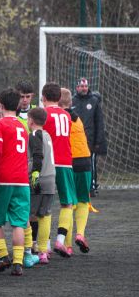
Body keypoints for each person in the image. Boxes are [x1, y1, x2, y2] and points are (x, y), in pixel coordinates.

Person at [0, 88, 30, 277]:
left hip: (3, 178)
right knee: (19, 223)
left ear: (1, 105)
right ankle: (18, 263)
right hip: (22, 179)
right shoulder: (22, 126)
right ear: (18, 105)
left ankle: (3, 256)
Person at [42, 82, 77, 257]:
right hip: (65, 162)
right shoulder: (66, 115)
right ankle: (60, 241)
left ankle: (46, 246)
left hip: (48, 163)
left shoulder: (43, 114)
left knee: (45, 205)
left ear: (43, 98)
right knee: (67, 203)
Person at [59, 88, 92, 254]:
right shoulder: (76, 117)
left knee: (68, 203)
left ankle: (68, 245)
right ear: (71, 102)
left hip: (68, 162)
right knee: (83, 200)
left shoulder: (58, 118)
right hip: (85, 160)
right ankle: (80, 234)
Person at [27, 107, 56, 265]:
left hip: (39, 178)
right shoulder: (47, 135)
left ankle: (27, 248)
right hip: (51, 178)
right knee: (45, 215)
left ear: (30, 120)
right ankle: (43, 251)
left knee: (28, 214)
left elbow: (38, 155)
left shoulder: (34, 135)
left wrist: (34, 173)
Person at [72, 77, 107, 195]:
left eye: (86, 86)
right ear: (77, 87)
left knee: (90, 163)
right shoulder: (72, 101)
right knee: (75, 163)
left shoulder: (94, 101)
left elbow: (99, 122)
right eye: (82, 86)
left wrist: (98, 141)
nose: (84, 88)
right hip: (75, 140)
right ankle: (76, 187)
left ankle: (92, 186)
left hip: (90, 139)